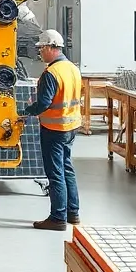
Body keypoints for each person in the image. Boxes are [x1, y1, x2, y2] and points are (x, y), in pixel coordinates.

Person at [20, 29, 82, 231]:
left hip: (54, 128)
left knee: (55, 174)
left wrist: (28, 109)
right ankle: (73, 213)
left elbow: (45, 103)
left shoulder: (51, 73)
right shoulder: (72, 68)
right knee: (67, 169)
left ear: (49, 48)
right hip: (71, 126)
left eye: (41, 49)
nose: (39, 53)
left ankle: (57, 218)